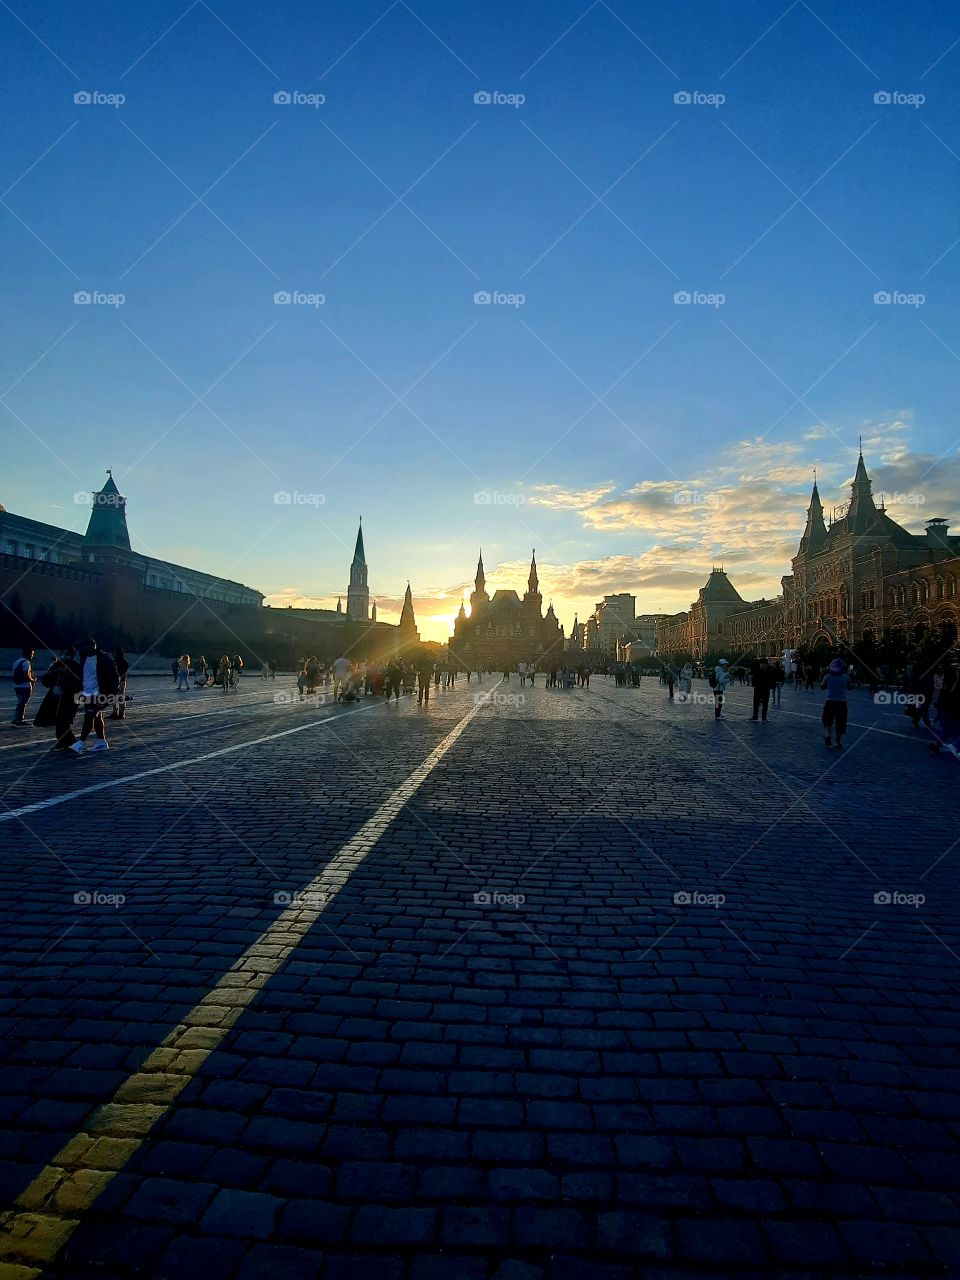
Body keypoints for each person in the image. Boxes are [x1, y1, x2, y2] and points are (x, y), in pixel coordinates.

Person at [69, 637, 119, 754]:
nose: (81, 649)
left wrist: (110, 694)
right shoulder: (83, 658)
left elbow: (114, 678)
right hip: (87, 693)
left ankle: (80, 743)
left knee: (89, 716)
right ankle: (102, 742)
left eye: (83, 647)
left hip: (99, 693)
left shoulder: (104, 658)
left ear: (91, 646)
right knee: (96, 716)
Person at [33, 646, 82, 750]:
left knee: (65, 719)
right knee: (59, 720)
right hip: (55, 696)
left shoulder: (77, 667)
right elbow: (46, 682)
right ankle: (64, 741)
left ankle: (68, 741)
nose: (64, 656)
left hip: (70, 696)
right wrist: (51, 673)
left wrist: (65, 686)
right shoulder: (56, 665)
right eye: (63, 653)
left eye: (67, 653)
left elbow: (78, 683)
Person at [821, 657, 852, 749]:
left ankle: (827, 736)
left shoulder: (827, 676)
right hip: (842, 703)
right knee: (840, 722)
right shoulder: (846, 677)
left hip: (830, 701)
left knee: (827, 721)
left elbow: (822, 687)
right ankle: (838, 742)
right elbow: (850, 688)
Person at [11, 646, 35, 726]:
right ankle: (20, 720)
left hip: (16, 685)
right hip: (25, 686)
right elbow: (26, 676)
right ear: (28, 654)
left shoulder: (16, 661)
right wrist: (33, 680)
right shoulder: (26, 663)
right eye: (32, 654)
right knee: (23, 703)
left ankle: (15, 718)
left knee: (19, 702)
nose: (32, 656)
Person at [749, 658, 775, 722]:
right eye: (760, 664)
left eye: (762, 664)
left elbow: (772, 679)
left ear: (765, 664)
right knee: (756, 703)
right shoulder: (758, 670)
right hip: (758, 688)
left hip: (766, 689)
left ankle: (764, 717)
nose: (761, 665)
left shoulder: (770, 671)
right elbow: (754, 677)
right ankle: (755, 716)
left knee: (765, 704)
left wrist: (770, 687)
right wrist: (754, 685)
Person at [110, 646, 129, 719]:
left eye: (114, 652)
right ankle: (115, 712)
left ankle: (121, 713)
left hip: (121, 681)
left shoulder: (123, 662)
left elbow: (122, 673)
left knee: (120, 697)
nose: (113, 654)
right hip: (116, 681)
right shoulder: (116, 661)